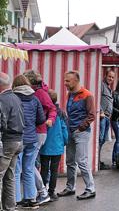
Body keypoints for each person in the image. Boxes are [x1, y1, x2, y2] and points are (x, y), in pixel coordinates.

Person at [58, 71, 96, 200]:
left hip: (81, 132)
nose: (65, 83)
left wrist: (81, 128)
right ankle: (70, 187)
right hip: (72, 131)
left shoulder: (87, 95)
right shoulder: (70, 94)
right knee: (70, 161)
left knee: (81, 161)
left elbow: (92, 115)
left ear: (76, 81)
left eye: (67, 81)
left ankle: (90, 189)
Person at [23, 70, 57, 205]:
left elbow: (52, 108)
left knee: (29, 165)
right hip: (37, 131)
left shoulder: (40, 93)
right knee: (30, 164)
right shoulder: (39, 92)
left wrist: (50, 120)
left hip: (38, 131)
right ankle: (36, 193)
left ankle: (42, 193)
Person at [13, 75, 45, 209]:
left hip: (18, 138)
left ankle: (15, 200)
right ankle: (31, 199)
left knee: (16, 170)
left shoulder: (13, 98)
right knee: (28, 169)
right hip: (32, 138)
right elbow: (41, 119)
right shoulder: (35, 99)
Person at [0, 72, 24, 211]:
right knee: (9, 177)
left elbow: (2, 123)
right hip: (18, 140)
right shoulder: (16, 98)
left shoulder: (2, 100)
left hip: (7, 141)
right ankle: (10, 207)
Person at [40, 89, 68, 202]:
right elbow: (64, 129)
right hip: (57, 146)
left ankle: (43, 191)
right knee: (54, 170)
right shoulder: (61, 113)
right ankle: (52, 192)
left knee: (44, 169)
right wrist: (65, 141)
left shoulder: (43, 113)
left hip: (45, 145)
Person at [99, 70, 115, 170]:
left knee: (103, 140)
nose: (111, 79)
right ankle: (97, 162)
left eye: (112, 77)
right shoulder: (101, 85)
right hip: (103, 117)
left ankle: (99, 161)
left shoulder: (108, 87)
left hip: (107, 117)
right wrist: (101, 111)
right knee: (100, 139)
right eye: (109, 76)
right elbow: (97, 98)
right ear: (105, 76)